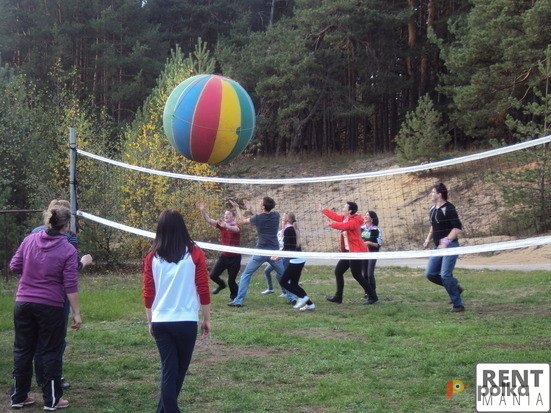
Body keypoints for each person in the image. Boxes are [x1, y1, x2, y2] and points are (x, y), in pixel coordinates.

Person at [10, 205, 82, 411]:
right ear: (67, 225)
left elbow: (14, 266)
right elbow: (70, 284)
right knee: (50, 350)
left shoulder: (29, 240)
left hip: (23, 302)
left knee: (22, 350)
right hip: (50, 305)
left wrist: (33, 270)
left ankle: (18, 396)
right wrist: (76, 313)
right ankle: (52, 400)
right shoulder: (67, 249)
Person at [142, 209, 211, 413]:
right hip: (185, 321)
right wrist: (206, 318)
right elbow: (203, 288)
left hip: (162, 321)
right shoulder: (194, 252)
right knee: (175, 370)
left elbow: (148, 293)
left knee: (172, 370)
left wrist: (150, 320)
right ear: (182, 227)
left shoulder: (152, 256)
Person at [31, 199, 92, 390]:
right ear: (65, 220)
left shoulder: (32, 235)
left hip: (29, 295)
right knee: (55, 341)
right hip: (55, 296)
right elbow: (71, 269)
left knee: (34, 341)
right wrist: (84, 262)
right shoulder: (68, 238)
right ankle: (52, 382)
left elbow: (17, 265)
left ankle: (34, 384)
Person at [227, 197, 287, 307]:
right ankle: (292, 297)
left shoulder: (259, 218)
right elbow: (260, 218)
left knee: (246, 274)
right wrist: (250, 209)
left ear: (263, 206)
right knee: (283, 274)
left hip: (261, 251)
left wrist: (237, 208)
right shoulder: (276, 215)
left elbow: (242, 221)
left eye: (261, 202)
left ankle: (238, 300)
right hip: (274, 251)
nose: (259, 203)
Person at [317, 202, 372, 304]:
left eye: (345, 207)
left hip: (356, 252)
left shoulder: (354, 221)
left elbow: (345, 226)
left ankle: (372, 296)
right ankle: (338, 297)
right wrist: (323, 210)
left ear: (350, 210)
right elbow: (335, 216)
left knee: (357, 275)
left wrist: (330, 224)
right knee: (338, 271)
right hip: (348, 252)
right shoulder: (345, 218)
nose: (343, 208)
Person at [423, 183, 465, 312]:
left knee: (445, 276)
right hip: (438, 247)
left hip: (450, 246)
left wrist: (446, 241)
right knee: (430, 274)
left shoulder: (449, 208)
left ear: (439, 194)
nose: (431, 195)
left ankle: (458, 305)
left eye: (432, 192)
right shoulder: (432, 208)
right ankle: (455, 287)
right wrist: (428, 239)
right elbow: (433, 226)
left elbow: (458, 228)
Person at [197, 201, 241, 300]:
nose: (226, 216)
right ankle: (221, 285)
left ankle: (235, 297)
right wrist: (202, 210)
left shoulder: (235, 225)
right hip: (225, 257)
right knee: (212, 275)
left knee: (231, 280)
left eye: (228, 214)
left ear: (233, 217)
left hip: (235, 258)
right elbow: (208, 220)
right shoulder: (221, 225)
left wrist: (226, 226)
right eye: (225, 214)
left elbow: (236, 230)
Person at [277, 213, 315, 311]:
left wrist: (278, 255)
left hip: (295, 260)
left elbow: (288, 248)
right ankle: (310, 305)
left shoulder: (288, 230)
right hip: (299, 259)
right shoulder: (292, 228)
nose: (282, 218)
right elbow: (290, 247)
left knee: (283, 282)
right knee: (294, 284)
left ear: (286, 219)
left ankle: (303, 297)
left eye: (283, 217)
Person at [361, 211, 382, 305]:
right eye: (365, 215)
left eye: (367, 215)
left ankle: (372, 293)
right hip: (363, 253)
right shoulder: (361, 228)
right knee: (364, 274)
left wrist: (369, 243)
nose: (365, 216)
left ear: (372, 218)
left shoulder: (376, 230)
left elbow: (378, 244)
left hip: (373, 253)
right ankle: (367, 293)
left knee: (370, 274)